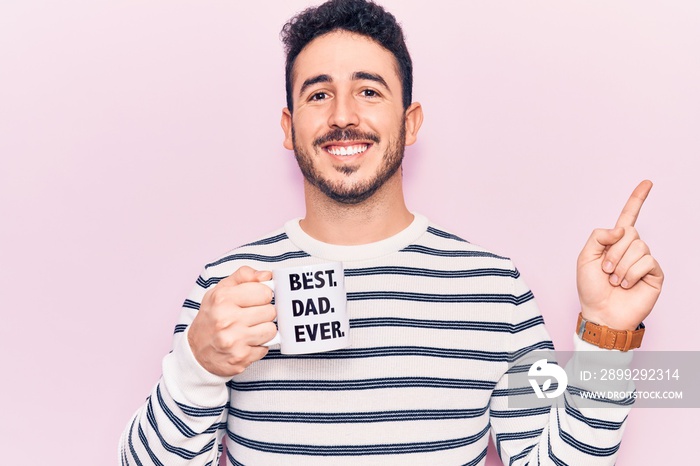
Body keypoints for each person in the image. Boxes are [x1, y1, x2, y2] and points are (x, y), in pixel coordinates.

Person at [119, 0, 663, 464]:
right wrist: (196, 367)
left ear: (411, 121)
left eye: (370, 92)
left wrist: (605, 340)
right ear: (289, 128)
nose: (342, 116)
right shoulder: (225, 290)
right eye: (317, 94)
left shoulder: (493, 289)